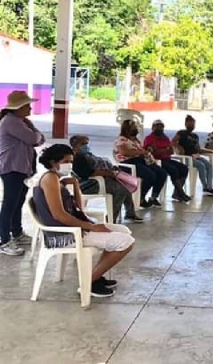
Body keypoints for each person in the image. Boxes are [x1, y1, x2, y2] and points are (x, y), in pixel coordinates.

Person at [34, 144, 134, 298]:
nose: (70, 164)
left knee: (123, 231)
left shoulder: (58, 179)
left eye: (71, 161)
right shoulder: (50, 179)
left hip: (72, 227)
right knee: (125, 242)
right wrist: (91, 227)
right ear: (53, 162)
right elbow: (59, 215)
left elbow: (78, 209)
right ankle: (88, 282)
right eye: (66, 161)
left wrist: (74, 185)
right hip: (64, 234)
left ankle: (95, 277)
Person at [0, 90, 45, 256]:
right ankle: (4, 240)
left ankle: (16, 232)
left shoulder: (21, 121)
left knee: (18, 201)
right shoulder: (11, 122)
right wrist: (35, 133)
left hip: (22, 167)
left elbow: (41, 139)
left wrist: (34, 132)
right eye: (27, 106)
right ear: (17, 107)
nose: (30, 109)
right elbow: (34, 139)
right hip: (12, 168)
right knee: (9, 204)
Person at [70, 135, 143, 223]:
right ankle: (111, 220)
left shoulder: (86, 155)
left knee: (124, 185)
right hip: (88, 184)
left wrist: (111, 170)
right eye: (83, 144)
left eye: (87, 143)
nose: (86, 146)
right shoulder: (76, 157)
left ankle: (130, 213)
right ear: (75, 145)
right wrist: (107, 173)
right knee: (120, 190)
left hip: (99, 180)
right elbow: (88, 173)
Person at [114, 119, 168, 208]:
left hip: (139, 161)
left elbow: (140, 151)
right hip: (127, 163)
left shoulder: (136, 140)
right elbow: (125, 152)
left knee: (161, 173)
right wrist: (140, 152)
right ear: (127, 129)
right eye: (134, 127)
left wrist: (145, 152)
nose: (136, 129)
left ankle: (153, 197)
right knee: (150, 175)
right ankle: (140, 197)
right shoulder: (121, 139)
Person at [143, 120, 191, 202]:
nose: (159, 128)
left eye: (161, 127)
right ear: (152, 128)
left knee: (184, 168)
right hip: (157, 160)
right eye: (157, 126)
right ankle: (181, 192)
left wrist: (161, 150)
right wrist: (165, 150)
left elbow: (171, 151)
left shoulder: (165, 138)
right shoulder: (149, 138)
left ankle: (177, 193)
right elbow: (152, 153)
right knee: (173, 170)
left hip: (167, 159)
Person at [172, 115, 213, 197]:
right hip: (187, 157)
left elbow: (198, 149)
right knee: (201, 165)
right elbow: (173, 141)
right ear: (185, 124)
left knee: (208, 165)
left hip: (196, 156)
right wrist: (179, 147)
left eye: (193, 124)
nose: (191, 126)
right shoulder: (181, 133)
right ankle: (205, 187)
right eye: (190, 124)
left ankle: (209, 187)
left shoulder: (195, 136)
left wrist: (209, 150)